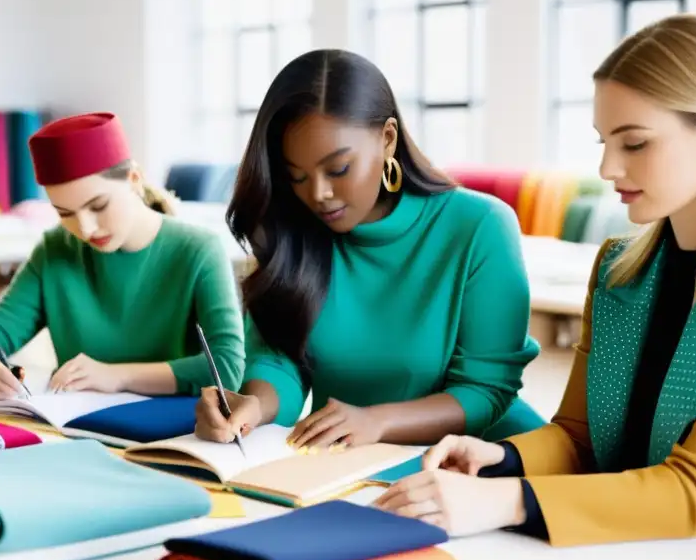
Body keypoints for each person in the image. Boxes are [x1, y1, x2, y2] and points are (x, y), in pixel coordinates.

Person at [373, 14, 696, 546]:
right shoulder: (619, 270)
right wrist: (502, 459)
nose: (606, 168)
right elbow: (581, 439)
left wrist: (503, 501)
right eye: (604, 141)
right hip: (623, 552)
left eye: (635, 143)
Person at [194, 49, 543, 451]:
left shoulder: (479, 225)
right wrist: (255, 406)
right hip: (351, 464)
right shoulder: (295, 229)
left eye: (338, 169)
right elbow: (280, 361)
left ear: (388, 139)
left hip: (482, 462)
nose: (319, 195)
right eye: (297, 177)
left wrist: (377, 421)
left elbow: (485, 394)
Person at [0, 112, 244, 399]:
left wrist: (118, 376)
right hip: (78, 430)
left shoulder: (200, 250)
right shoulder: (55, 251)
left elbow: (227, 367)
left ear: (134, 179)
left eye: (98, 206)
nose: (85, 228)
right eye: (65, 214)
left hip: (177, 433)